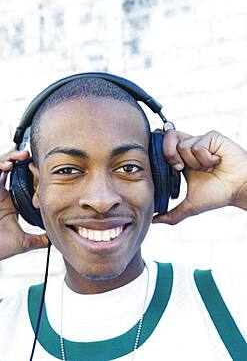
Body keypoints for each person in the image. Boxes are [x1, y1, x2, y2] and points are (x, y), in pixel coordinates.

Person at [0, 76, 246, 361]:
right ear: (34, 187)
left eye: (128, 167)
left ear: (160, 178)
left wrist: (243, 187)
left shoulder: (230, 300)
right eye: (67, 171)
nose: (102, 200)